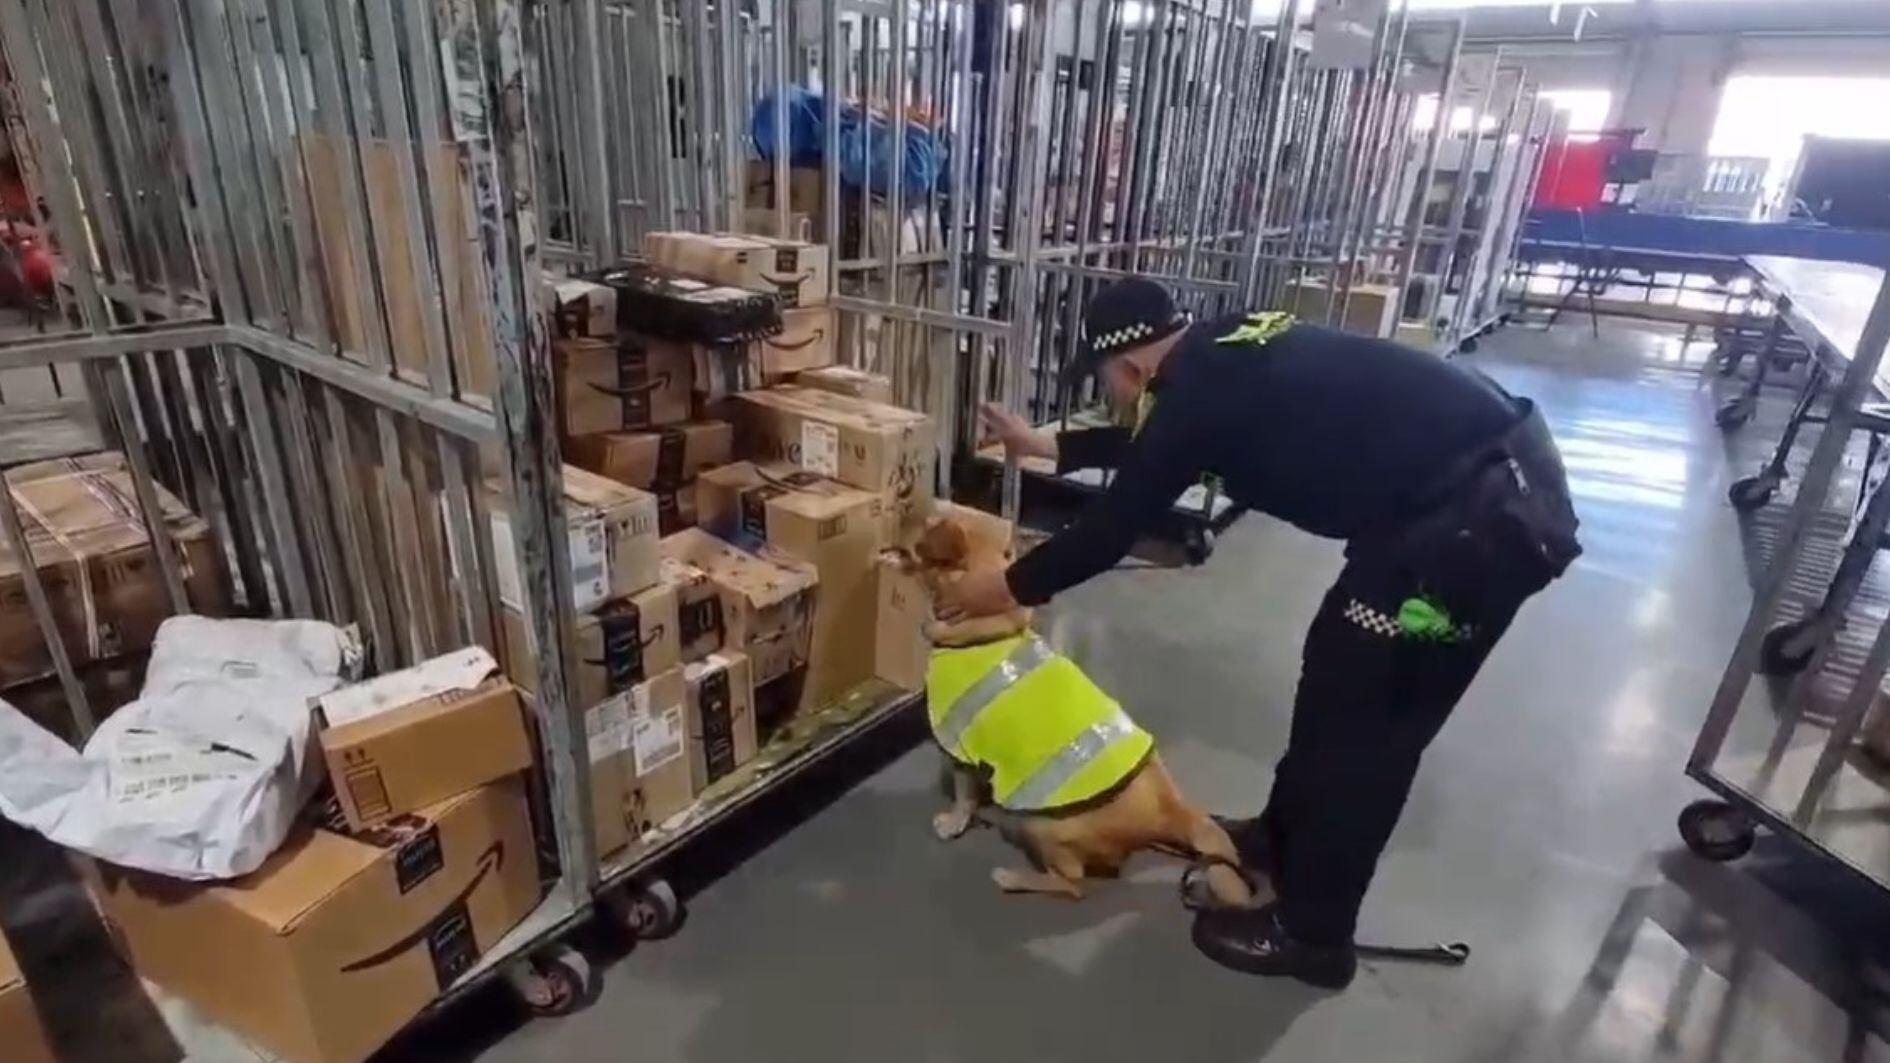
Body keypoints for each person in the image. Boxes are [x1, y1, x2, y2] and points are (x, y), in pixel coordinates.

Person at [944, 277, 1580, 989]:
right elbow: (1163, 442)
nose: (1110, 391)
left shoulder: (1196, 395)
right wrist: (1050, 446)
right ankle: (1280, 842)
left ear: (1131, 367)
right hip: (1461, 491)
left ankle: (1315, 936)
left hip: (1480, 526)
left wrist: (1000, 586)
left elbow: (1108, 528)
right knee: (1337, 673)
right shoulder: (1220, 349)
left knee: (1366, 728)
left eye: (1103, 379)